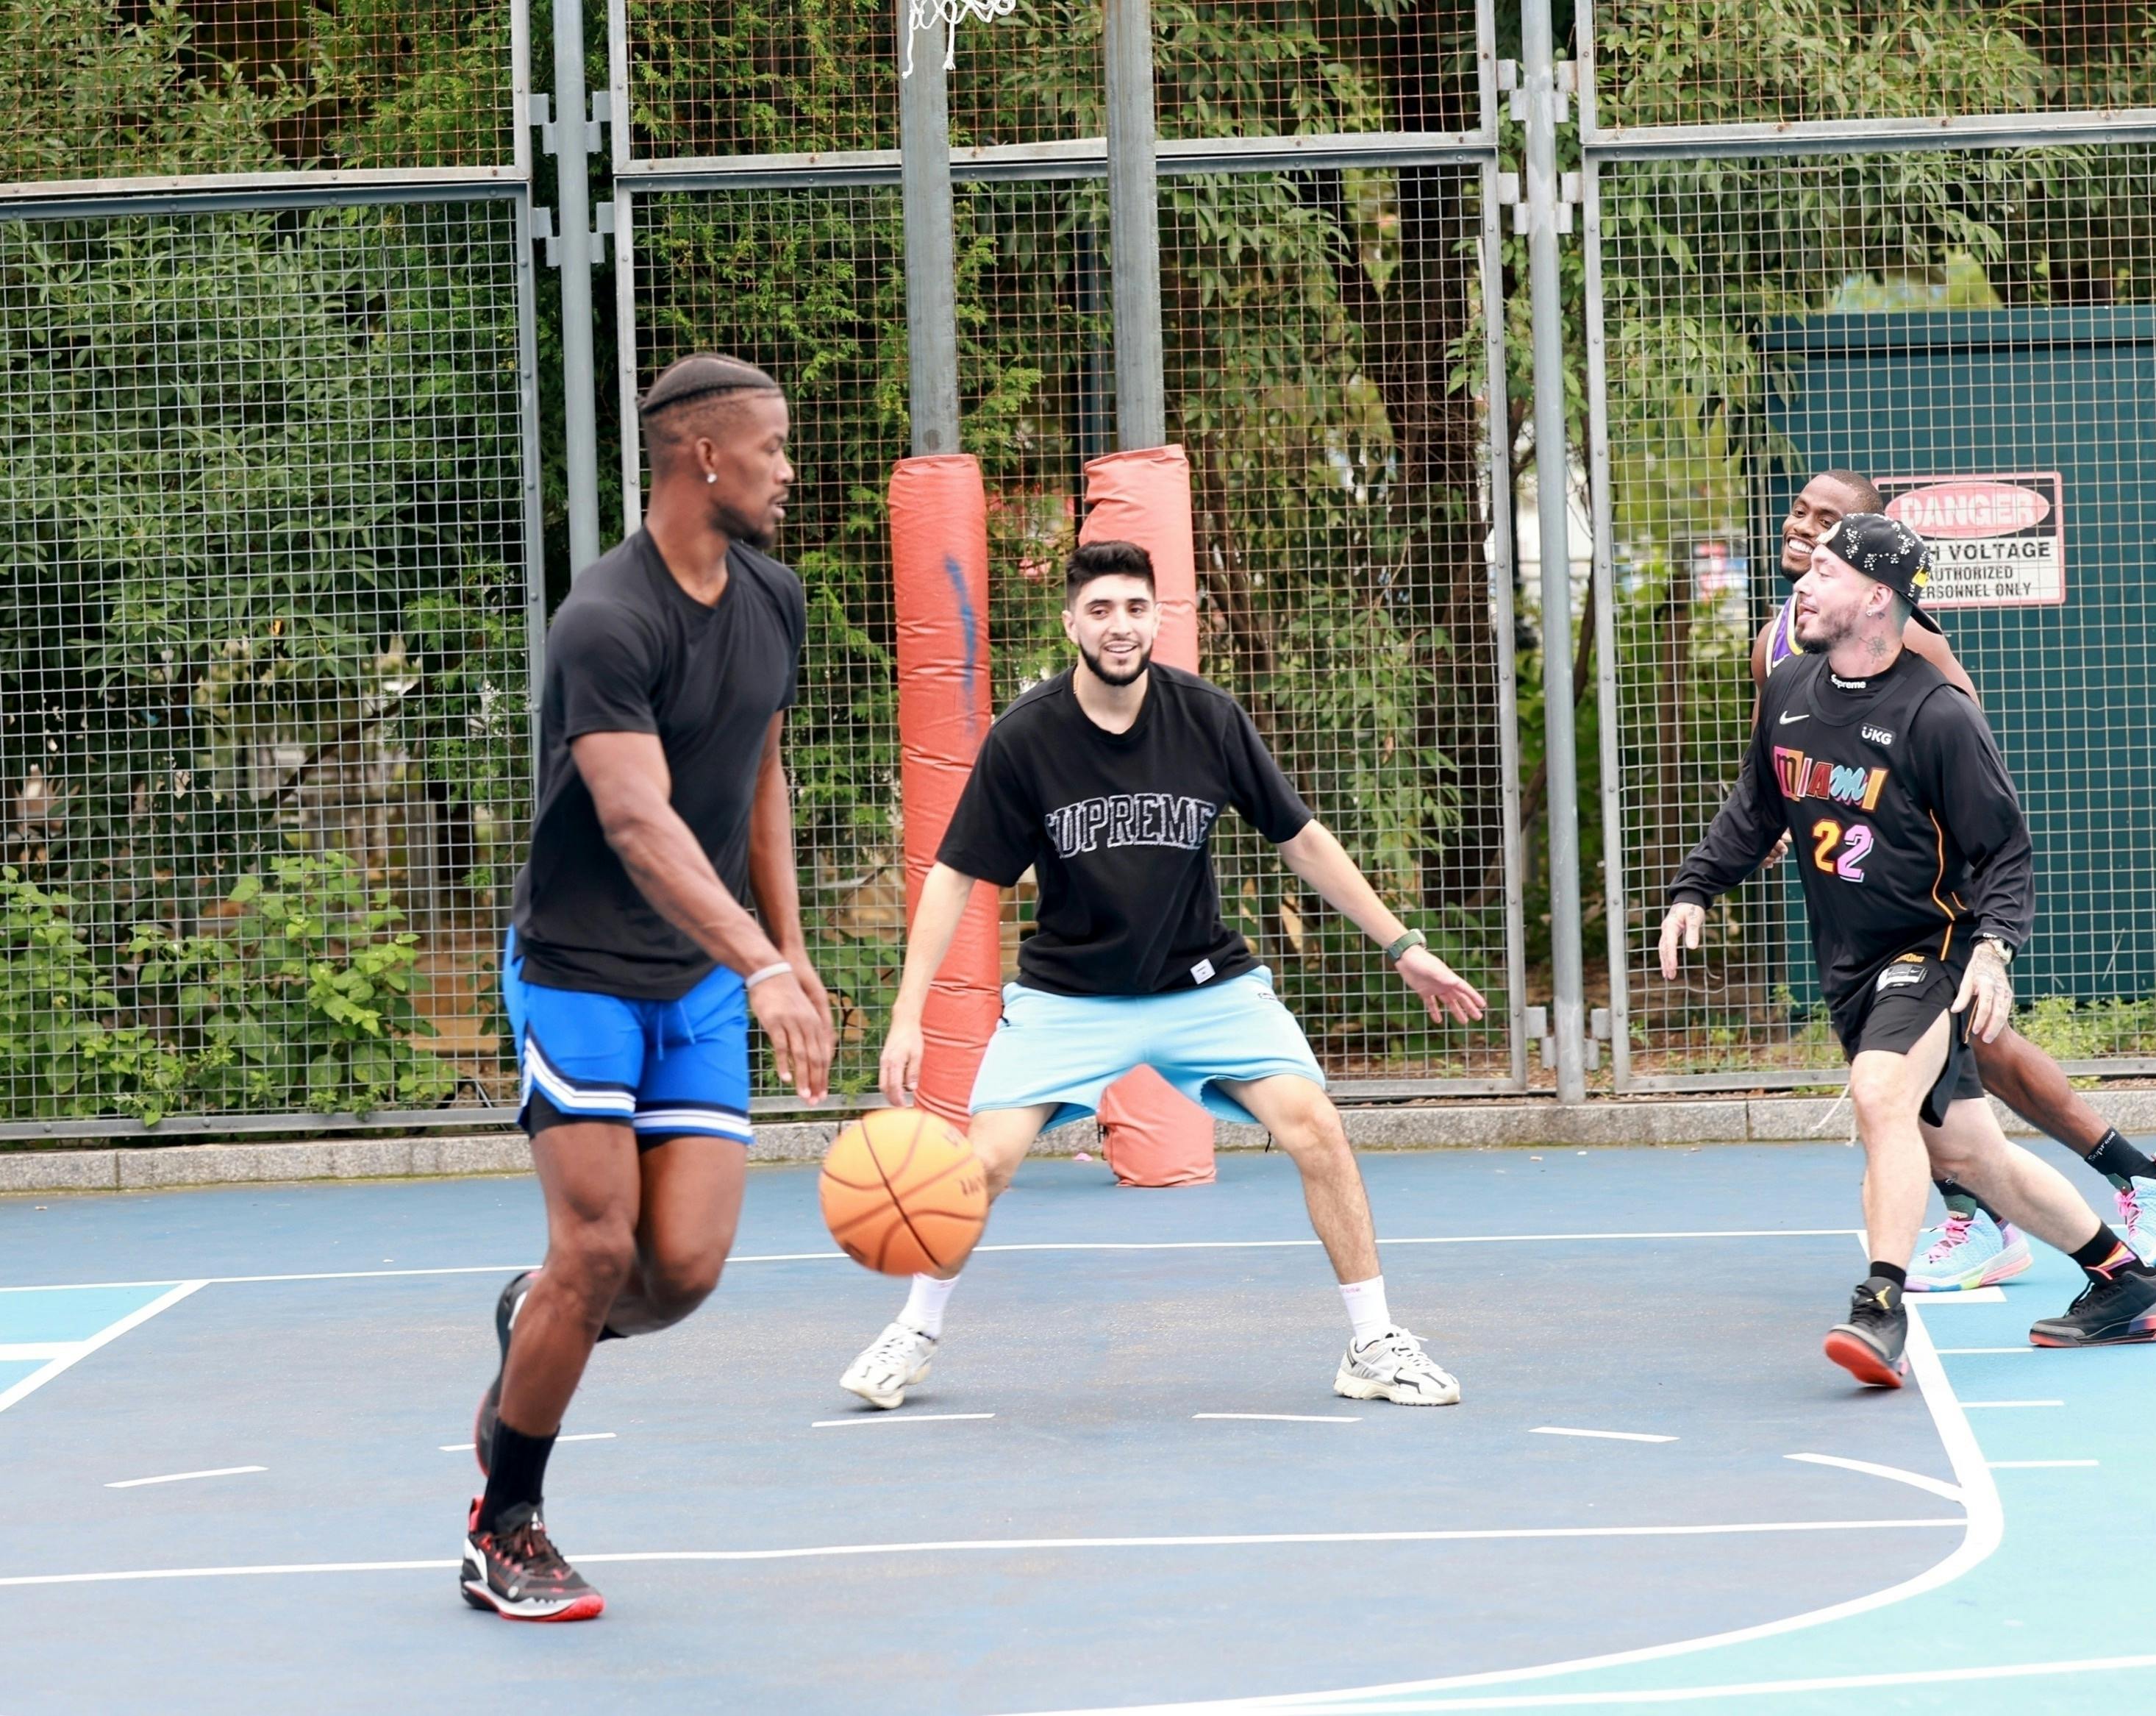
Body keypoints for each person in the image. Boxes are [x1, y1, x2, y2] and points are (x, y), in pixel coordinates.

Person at [840, 539, 1485, 1411]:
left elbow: (1299, 837)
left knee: (1315, 1129)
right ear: (1070, 621)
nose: (1119, 625)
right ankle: (913, 1331)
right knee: (979, 1164)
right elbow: (956, 874)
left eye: (1135, 608)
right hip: (1068, 996)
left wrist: (1400, 943)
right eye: (1100, 609)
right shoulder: (1025, 738)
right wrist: (907, 1015)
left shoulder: (1206, 718)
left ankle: (1372, 1342)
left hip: (1203, 989)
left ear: (1158, 619)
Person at [463, 354, 835, 1621]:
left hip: (705, 980)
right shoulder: (605, 620)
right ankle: (504, 1524)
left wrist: (794, 948)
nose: (791, 470)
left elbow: (755, 784)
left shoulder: (775, 601)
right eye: (775, 448)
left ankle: (539, 1322)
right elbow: (637, 818)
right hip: (580, 969)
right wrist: (764, 961)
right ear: (705, 458)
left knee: (679, 1269)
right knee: (600, 1242)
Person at [1663, 513, 2156, 1387]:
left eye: (1822, 570)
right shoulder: (1788, 687)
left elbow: (2004, 849)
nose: (1801, 582)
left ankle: (1878, 1305)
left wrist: (1991, 952)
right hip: (1847, 960)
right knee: (1970, 1156)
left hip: (1930, 945)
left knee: (1877, 1094)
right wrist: (1693, 888)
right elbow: (1755, 807)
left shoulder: (1934, 715)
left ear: (1875, 595)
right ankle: (2126, 1278)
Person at [1751, 470, 2156, 1293]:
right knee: (1965, 1070)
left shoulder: (1911, 646)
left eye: (1828, 523)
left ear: (1871, 574)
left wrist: (1975, 918)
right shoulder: (1778, 642)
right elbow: (1782, 764)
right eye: (1801, 512)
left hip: (1933, 884)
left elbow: (1954, 739)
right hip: (1862, 887)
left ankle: (2029, 1210)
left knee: (1931, 1069)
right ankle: (2113, 1190)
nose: (1803, 528)